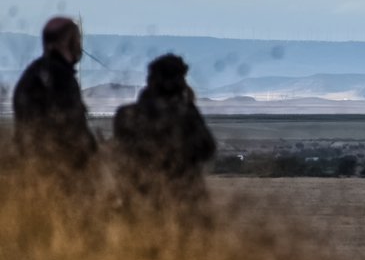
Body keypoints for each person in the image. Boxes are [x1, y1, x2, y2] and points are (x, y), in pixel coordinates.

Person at [113, 53, 216, 212]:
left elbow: (118, 154)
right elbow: (207, 148)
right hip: (183, 200)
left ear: (150, 81)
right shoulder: (186, 114)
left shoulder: (127, 115)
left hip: (138, 199)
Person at [12, 16, 98, 177]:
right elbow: (72, 130)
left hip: (30, 169)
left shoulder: (31, 74)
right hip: (61, 171)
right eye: (78, 39)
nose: (80, 45)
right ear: (69, 41)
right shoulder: (60, 78)